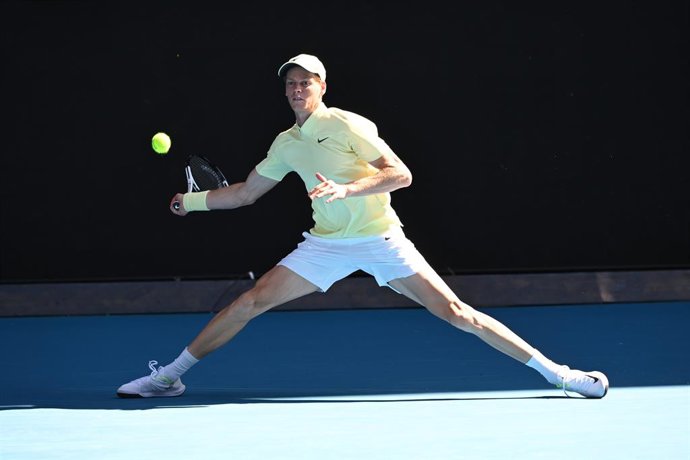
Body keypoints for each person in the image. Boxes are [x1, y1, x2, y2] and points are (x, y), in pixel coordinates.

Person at [117, 53, 609, 399]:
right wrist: (194, 202)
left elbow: (401, 174)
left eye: (305, 81)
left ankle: (560, 375)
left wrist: (348, 190)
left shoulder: (349, 124)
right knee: (248, 302)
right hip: (325, 245)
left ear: (322, 87)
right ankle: (170, 377)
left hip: (380, 240)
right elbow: (246, 192)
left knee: (458, 313)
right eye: (289, 83)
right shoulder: (286, 142)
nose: (296, 89)